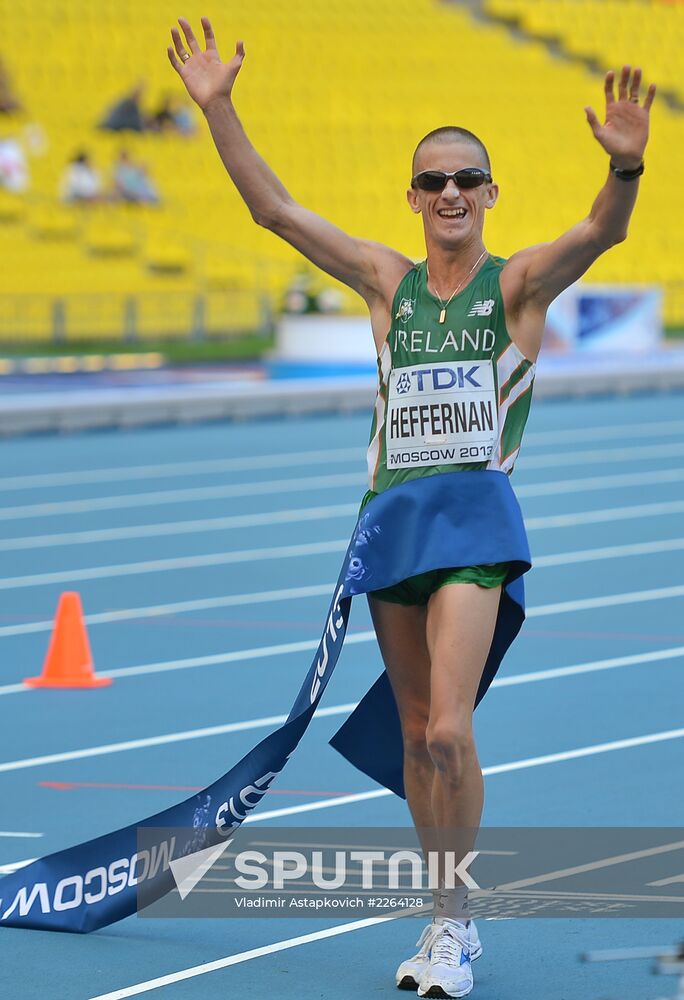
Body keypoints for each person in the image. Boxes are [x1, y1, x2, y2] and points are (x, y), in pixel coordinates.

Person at [168, 17, 655, 998]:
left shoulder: (515, 287)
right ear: (413, 197)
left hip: (475, 518)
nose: (448, 194)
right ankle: (440, 916)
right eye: (432, 181)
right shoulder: (386, 282)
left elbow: (602, 232)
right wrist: (219, 106)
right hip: (392, 517)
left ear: (488, 194)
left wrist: (626, 171)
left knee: (447, 730)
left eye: (465, 180)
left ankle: (460, 923)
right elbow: (275, 211)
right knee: (417, 721)